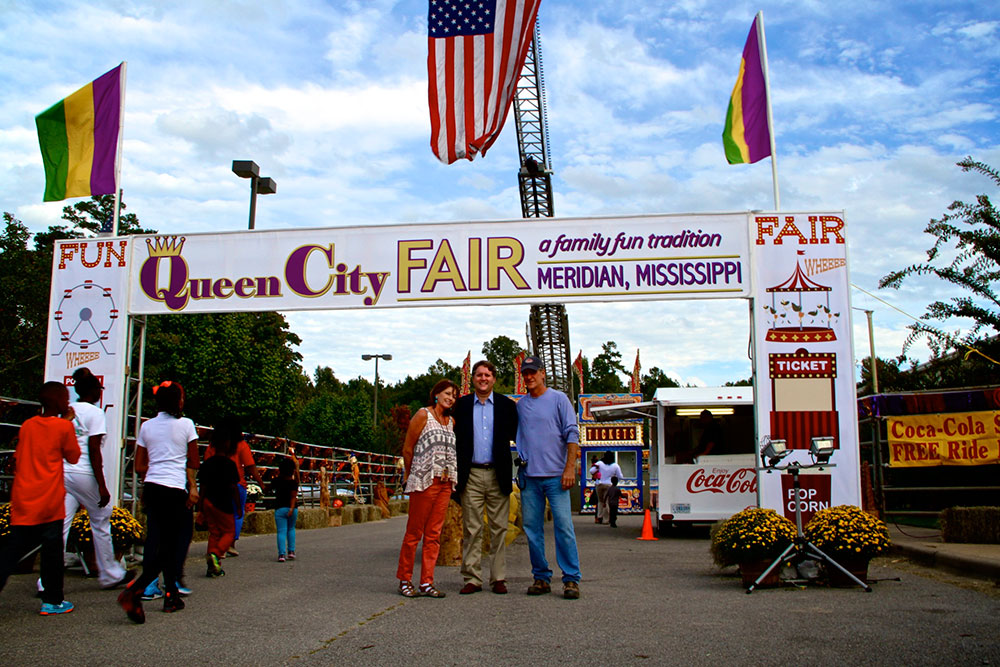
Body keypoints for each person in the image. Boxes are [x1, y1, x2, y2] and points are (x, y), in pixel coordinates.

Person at [117, 380, 199, 623]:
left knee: (158, 541)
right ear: (179, 401)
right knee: (177, 544)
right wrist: (192, 487)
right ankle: (135, 590)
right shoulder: (186, 425)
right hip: (175, 490)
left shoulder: (146, 427)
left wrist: (152, 475)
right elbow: (193, 461)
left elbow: (139, 465)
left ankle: (171, 595)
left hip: (152, 488)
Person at [0, 382, 80, 615]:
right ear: (57, 402)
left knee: (11, 551)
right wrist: (67, 423)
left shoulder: (27, 425)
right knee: (52, 553)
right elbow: (73, 456)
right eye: (65, 399)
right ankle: (52, 600)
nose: (68, 403)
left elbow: (19, 456)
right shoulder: (63, 428)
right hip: (49, 500)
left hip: (24, 497)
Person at [516, 356, 582, 600]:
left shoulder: (559, 399)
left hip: (556, 477)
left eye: (533, 372)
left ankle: (571, 579)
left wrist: (569, 468)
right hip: (530, 478)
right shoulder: (521, 405)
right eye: (526, 373)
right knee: (532, 529)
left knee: (564, 527)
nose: (529, 377)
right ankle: (541, 577)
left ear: (543, 373)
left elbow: (572, 434)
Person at [59, 368, 133, 590]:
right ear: (94, 391)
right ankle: (110, 574)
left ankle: (46, 580)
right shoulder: (96, 413)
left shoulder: (67, 411)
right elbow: (93, 449)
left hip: (64, 472)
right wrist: (101, 484)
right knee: (101, 520)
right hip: (84, 473)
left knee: (61, 524)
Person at [453, 360, 518, 595]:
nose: (483, 379)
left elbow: (519, 436)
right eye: (479, 375)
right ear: (473, 379)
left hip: (497, 473)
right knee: (472, 528)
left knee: (499, 528)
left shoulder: (506, 406)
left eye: (487, 375)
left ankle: (498, 577)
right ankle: (472, 578)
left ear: (494, 379)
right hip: (470, 473)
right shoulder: (460, 406)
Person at [396, 379, 458, 598]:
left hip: (444, 482)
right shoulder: (423, 415)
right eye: (447, 393)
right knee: (414, 532)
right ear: (436, 394)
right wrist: (411, 474)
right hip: (424, 480)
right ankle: (405, 579)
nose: (451, 398)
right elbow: (408, 448)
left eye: (454, 395)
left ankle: (427, 582)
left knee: (434, 534)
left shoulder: (451, 421)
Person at [202, 417, 262, 558]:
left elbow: (205, 464)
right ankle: (229, 544)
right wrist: (261, 483)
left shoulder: (212, 446)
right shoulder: (241, 445)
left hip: (214, 486)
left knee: (215, 522)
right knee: (237, 513)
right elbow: (250, 466)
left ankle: (215, 549)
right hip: (236, 484)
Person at [198, 427, 241, 578]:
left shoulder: (207, 464)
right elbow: (233, 487)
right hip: (223, 503)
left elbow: (202, 486)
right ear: (228, 444)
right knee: (229, 532)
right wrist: (238, 505)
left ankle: (213, 566)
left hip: (208, 502)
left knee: (214, 533)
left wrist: (200, 505)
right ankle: (216, 555)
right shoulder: (229, 465)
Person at [273, 446, 299, 563]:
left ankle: (281, 554)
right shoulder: (293, 483)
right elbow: (293, 496)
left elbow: (267, 487)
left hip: (280, 508)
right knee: (291, 529)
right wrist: (292, 507)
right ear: (292, 471)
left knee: (281, 531)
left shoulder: (277, 481)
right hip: (292, 509)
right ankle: (291, 551)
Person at [589, 451, 623, 525]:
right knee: (607, 502)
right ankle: (606, 519)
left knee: (600, 501)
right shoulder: (615, 465)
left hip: (599, 484)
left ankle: (599, 516)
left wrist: (597, 468)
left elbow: (591, 471)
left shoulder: (600, 463)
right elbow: (620, 476)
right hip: (609, 485)